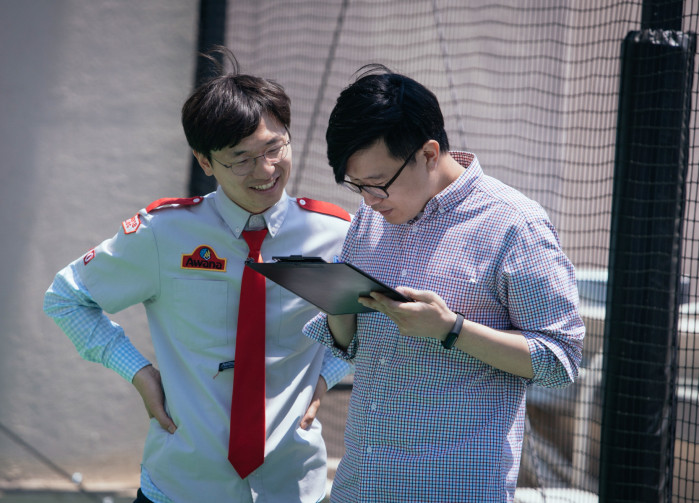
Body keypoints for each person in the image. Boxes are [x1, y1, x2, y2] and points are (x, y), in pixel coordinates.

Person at [43, 50, 352, 503]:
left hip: (293, 484)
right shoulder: (162, 233)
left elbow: (375, 321)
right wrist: (138, 372)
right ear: (204, 161)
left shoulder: (336, 234)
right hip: (181, 485)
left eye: (274, 148)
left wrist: (325, 376)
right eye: (240, 159)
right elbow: (66, 298)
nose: (265, 170)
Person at [303, 65, 585, 502]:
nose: (369, 202)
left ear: (429, 154)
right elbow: (354, 348)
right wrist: (337, 300)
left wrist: (451, 330)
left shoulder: (515, 224)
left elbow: (560, 361)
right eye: (357, 186)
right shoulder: (369, 221)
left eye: (377, 184)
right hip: (360, 485)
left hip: (453, 488)